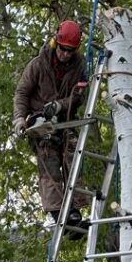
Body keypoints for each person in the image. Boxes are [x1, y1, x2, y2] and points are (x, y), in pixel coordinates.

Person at [13, 20, 88, 234]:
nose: (65, 54)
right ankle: (57, 213)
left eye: (70, 51)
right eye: (63, 49)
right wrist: (20, 118)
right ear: (56, 43)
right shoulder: (38, 64)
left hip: (65, 121)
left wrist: (60, 105)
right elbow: (22, 93)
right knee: (50, 164)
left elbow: (79, 97)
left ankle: (74, 210)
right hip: (41, 124)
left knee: (74, 156)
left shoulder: (79, 67)